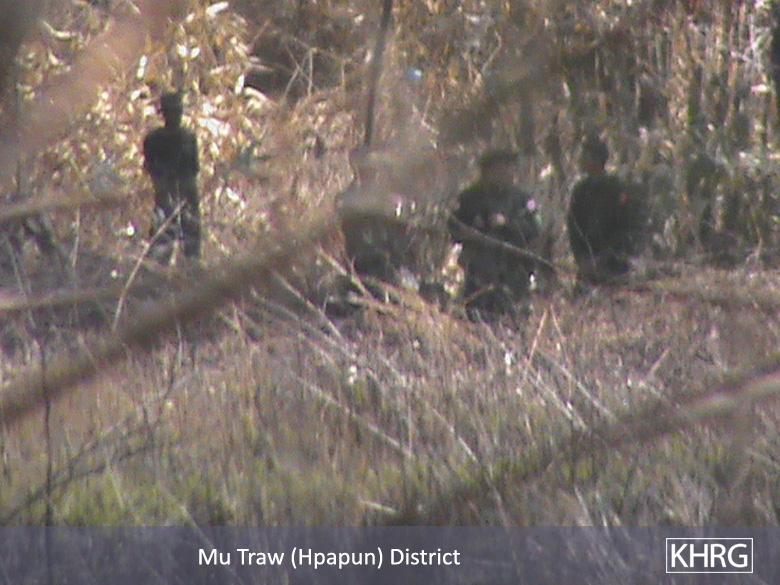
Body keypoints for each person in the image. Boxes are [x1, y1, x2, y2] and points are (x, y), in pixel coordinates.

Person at [449, 150, 540, 320]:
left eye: (508, 169)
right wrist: (473, 229)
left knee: (512, 319)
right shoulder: (468, 198)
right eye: (499, 170)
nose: (506, 174)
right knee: (476, 317)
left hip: (513, 272)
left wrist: (507, 225)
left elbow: (533, 229)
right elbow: (453, 227)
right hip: (478, 273)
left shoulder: (522, 200)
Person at [567, 134, 646, 291]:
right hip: (588, 265)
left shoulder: (616, 188)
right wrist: (582, 259)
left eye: (585, 155)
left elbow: (627, 227)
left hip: (614, 266)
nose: (581, 160)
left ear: (596, 159)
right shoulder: (580, 190)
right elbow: (573, 227)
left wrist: (607, 256)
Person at [143, 91, 200, 264]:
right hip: (181, 193)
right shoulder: (188, 138)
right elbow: (194, 168)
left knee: (166, 241)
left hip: (172, 194)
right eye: (174, 110)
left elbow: (149, 167)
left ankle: (165, 271)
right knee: (184, 243)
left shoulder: (153, 139)